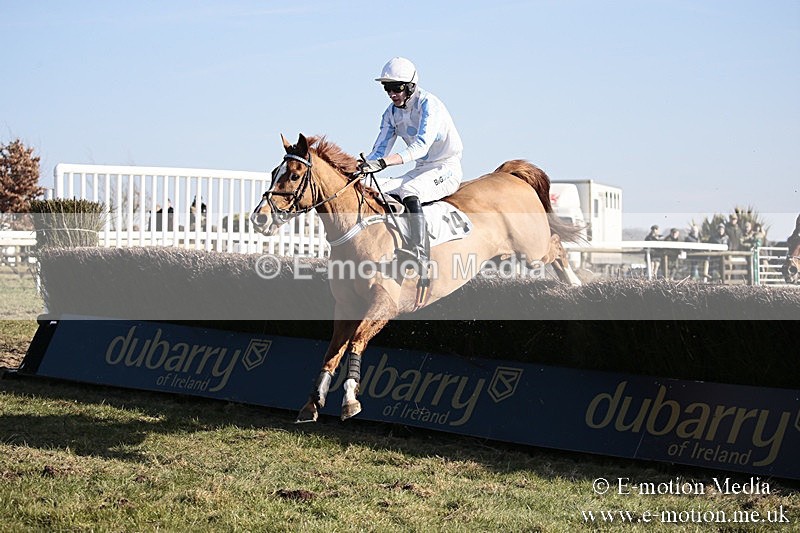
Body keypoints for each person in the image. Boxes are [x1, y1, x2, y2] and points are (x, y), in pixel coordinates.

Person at [358, 57, 464, 272]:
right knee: (378, 190)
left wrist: (383, 163)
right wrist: (358, 167)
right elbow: (379, 150)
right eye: (387, 88)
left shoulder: (429, 104)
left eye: (396, 88)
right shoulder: (391, 113)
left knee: (409, 189)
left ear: (410, 86)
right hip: (421, 169)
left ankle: (420, 252)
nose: (391, 93)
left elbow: (420, 147)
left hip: (446, 168)